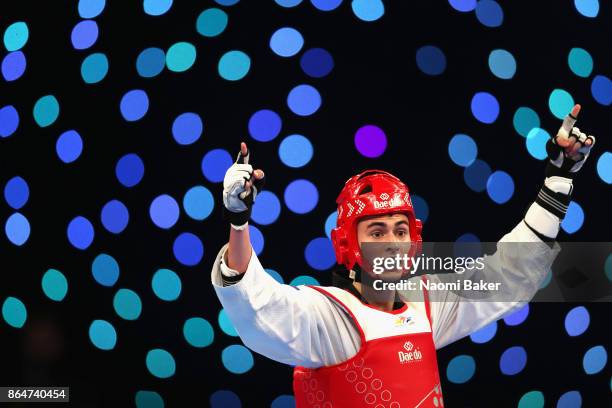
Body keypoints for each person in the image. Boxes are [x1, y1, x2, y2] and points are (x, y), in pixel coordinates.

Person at [211, 105, 595, 407]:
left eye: (400, 230)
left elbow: (510, 274)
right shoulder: (327, 314)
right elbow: (256, 305)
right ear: (348, 245)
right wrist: (239, 222)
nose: (393, 242)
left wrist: (557, 182)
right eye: (377, 232)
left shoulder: (425, 303)